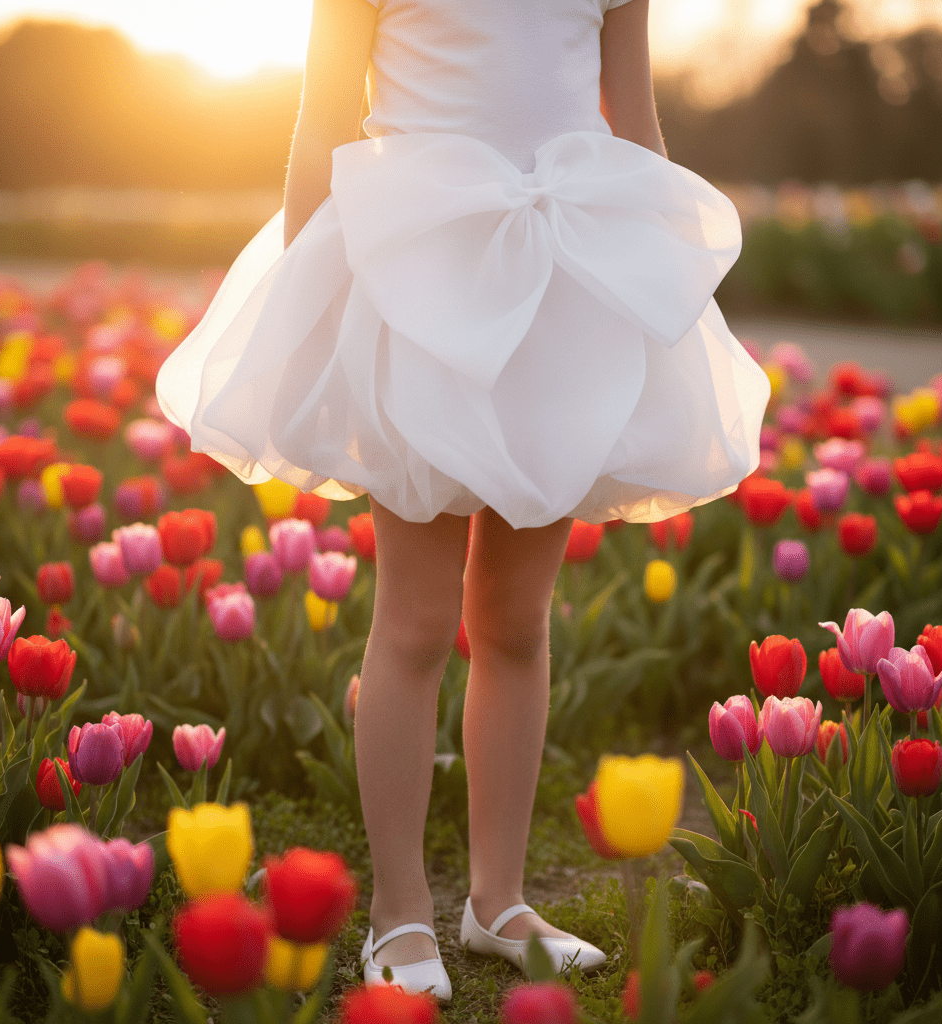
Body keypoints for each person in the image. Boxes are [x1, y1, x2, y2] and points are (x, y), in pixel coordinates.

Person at [156, 0, 770, 1004]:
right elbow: (320, 129)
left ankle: (497, 900)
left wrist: (660, 295)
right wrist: (304, 316)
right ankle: (399, 908)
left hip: (563, 283)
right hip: (418, 284)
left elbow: (638, 132)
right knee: (415, 620)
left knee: (517, 622)